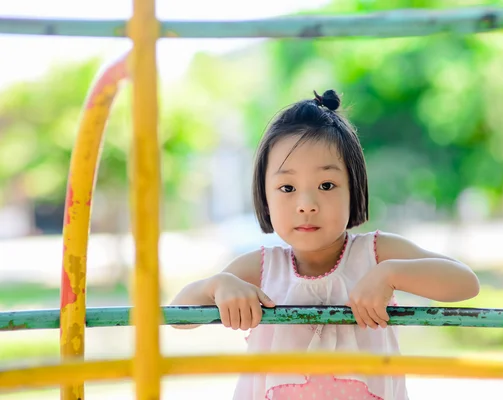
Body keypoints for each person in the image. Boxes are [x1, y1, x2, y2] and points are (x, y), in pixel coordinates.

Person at [171, 89, 480, 400]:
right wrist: (217, 286)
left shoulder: (375, 254)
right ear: (264, 196)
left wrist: (390, 274)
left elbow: (466, 283)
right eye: (287, 187)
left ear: (354, 188)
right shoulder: (261, 267)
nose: (306, 204)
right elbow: (175, 316)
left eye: (327, 185)